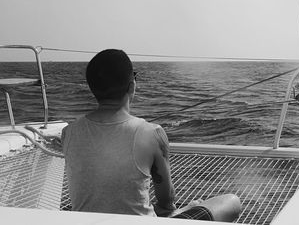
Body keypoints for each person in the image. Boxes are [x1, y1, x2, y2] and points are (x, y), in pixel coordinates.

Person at [62, 49, 241, 221]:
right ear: (132, 85)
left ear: (92, 88)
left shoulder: (68, 132)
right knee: (232, 202)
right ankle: (187, 210)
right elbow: (166, 200)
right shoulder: (152, 133)